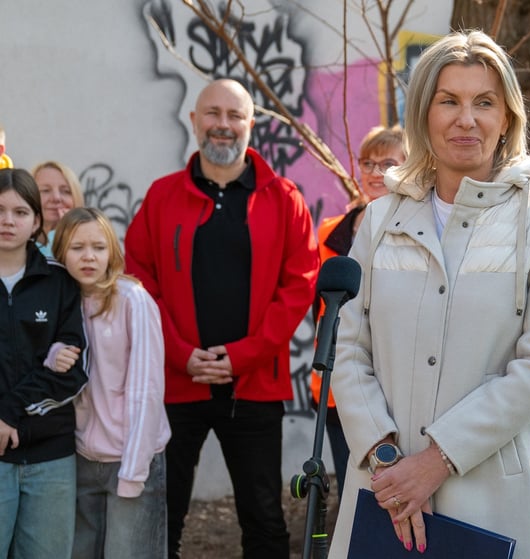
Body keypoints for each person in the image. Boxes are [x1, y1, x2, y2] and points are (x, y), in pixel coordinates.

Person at [328, 30, 530, 559]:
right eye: (449, 101)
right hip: (385, 495)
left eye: (484, 102)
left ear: (507, 118)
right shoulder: (380, 219)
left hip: (495, 504)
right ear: (424, 115)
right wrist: (390, 463)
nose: (466, 119)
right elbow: (348, 350)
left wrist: (435, 462)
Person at [124, 78, 320, 559]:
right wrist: (180, 354)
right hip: (175, 384)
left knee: (265, 521)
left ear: (251, 124)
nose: (223, 125)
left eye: (234, 115)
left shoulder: (285, 198)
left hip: (253, 386)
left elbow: (299, 286)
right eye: (212, 113)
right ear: (194, 121)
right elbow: (138, 280)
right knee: (160, 518)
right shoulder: (162, 196)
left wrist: (242, 356)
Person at [49, 207, 171, 558]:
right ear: (61, 254)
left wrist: (133, 472)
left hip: (131, 457)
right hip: (81, 457)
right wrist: (53, 355)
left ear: (112, 252)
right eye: (77, 248)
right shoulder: (61, 302)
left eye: (99, 247)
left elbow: (146, 390)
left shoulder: (132, 300)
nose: (89, 256)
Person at [310, 124, 405, 498]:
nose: (376, 172)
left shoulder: (419, 229)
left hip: (394, 384)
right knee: (352, 492)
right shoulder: (331, 231)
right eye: (368, 163)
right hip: (337, 384)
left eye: (388, 163)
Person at [0, 168, 87, 558]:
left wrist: (9, 412)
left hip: (51, 457)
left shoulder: (60, 282)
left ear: (37, 221)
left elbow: (71, 373)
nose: (7, 221)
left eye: (20, 212)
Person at [31, 160, 84, 257]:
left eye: (66, 191)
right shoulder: (17, 245)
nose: (56, 198)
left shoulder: (93, 242)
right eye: (45, 190)